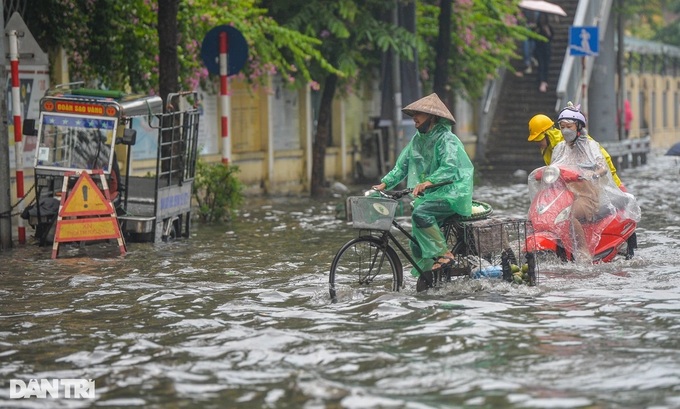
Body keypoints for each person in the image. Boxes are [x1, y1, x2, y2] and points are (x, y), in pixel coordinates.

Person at [371, 93, 474, 286]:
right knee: (415, 240)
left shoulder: (446, 139)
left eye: (419, 114)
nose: (414, 119)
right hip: (434, 193)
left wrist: (428, 182)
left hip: (453, 192)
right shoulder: (417, 140)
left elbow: (449, 168)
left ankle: (445, 254)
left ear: (432, 117)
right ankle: (430, 278)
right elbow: (402, 166)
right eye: (414, 115)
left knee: (421, 213)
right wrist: (384, 184)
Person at [550, 103, 640, 261]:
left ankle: (583, 251)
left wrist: (592, 174)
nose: (565, 130)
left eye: (569, 126)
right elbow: (553, 169)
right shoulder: (559, 148)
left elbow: (602, 167)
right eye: (562, 126)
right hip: (565, 196)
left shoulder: (590, 146)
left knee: (571, 216)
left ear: (578, 127)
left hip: (587, 196)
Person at [527, 111, 625, 190]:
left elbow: (603, 161)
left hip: (595, 183)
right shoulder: (549, 148)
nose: (538, 143)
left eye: (569, 127)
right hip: (572, 188)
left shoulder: (583, 142)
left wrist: (611, 180)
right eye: (562, 127)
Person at [534, 12, 553, 93]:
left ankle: (545, 80)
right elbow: (534, 37)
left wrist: (547, 31)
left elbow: (551, 37)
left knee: (546, 65)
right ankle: (541, 81)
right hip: (539, 49)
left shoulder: (548, 27)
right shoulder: (537, 28)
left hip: (546, 49)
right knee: (541, 65)